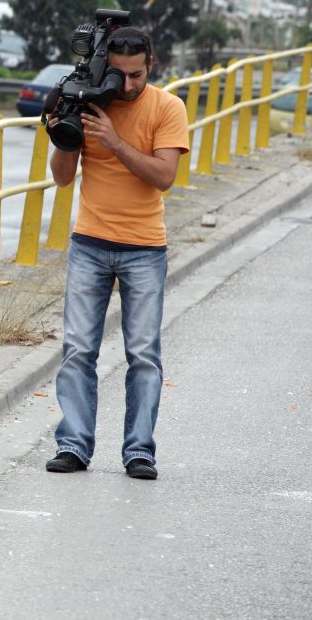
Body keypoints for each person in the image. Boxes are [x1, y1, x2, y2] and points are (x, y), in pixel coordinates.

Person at [45, 27, 188, 480]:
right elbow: (64, 178)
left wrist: (113, 141)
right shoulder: (91, 102)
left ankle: (139, 452)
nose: (127, 86)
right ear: (107, 65)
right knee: (77, 350)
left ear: (152, 65)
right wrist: (63, 134)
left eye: (137, 75)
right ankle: (73, 445)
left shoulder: (167, 107)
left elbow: (163, 176)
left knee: (143, 354)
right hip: (89, 242)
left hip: (145, 248)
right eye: (120, 74)